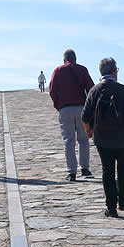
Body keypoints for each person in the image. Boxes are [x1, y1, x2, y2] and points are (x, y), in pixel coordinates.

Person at [81, 58, 124, 217]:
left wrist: (89, 131)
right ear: (114, 71)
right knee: (123, 168)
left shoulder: (94, 90)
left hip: (103, 138)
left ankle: (111, 207)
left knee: (107, 171)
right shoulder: (123, 89)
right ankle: (123, 200)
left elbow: (85, 116)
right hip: (123, 137)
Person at [49, 49, 96, 181]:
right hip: (81, 108)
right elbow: (91, 89)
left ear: (64, 59)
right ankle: (85, 168)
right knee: (83, 140)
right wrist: (89, 108)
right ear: (75, 58)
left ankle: (72, 172)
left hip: (65, 109)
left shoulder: (58, 70)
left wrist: (58, 106)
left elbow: (52, 90)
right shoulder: (82, 69)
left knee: (69, 142)